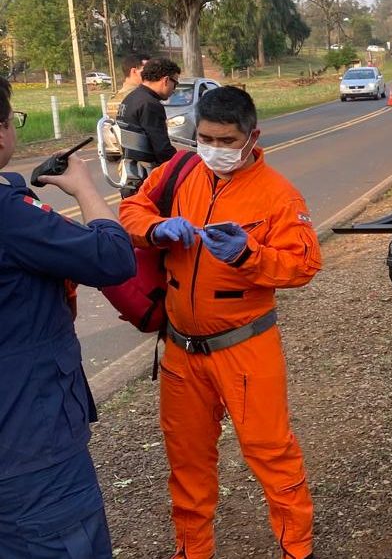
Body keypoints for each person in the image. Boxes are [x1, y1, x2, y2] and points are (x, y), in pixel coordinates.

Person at [118, 86, 322, 559]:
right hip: (181, 353)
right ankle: (192, 551)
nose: (215, 149)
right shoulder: (180, 171)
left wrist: (250, 254)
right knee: (187, 464)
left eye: (227, 141)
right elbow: (132, 208)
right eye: (205, 137)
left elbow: (304, 265)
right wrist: (154, 229)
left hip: (245, 347)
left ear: (252, 137)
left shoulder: (277, 195)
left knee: (271, 454)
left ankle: (298, 549)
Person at [0, 76, 136, 558]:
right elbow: (112, 257)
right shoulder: (11, 217)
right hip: (29, 447)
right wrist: (84, 189)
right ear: (0, 133)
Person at [117, 57, 181, 164]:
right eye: (175, 84)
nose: (174, 90)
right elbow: (163, 151)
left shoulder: (130, 98)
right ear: (166, 80)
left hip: (131, 164)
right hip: (148, 169)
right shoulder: (151, 104)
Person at [106, 51, 151, 119]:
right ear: (134, 71)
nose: (151, 74)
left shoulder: (114, 99)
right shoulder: (140, 98)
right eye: (147, 70)